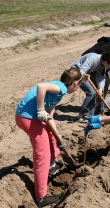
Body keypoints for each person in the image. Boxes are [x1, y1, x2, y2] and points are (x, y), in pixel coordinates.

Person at [15, 68, 84, 207]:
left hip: (32, 117)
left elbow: (50, 117)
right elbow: (41, 86)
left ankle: (52, 165)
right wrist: (40, 109)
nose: (78, 89)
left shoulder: (58, 93)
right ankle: (41, 198)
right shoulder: (61, 88)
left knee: (51, 135)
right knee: (42, 155)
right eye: (79, 86)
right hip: (27, 118)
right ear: (75, 84)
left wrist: (60, 139)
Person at [72, 52, 110, 121]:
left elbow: (101, 77)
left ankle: (90, 114)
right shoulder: (93, 58)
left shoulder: (102, 64)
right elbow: (82, 71)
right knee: (92, 93)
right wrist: (86, 78)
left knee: (98, 92)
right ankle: (83, 116)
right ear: (105, 62)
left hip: (85, 74)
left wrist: (100, 89)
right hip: (75, 73)